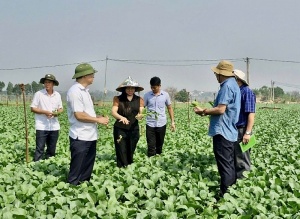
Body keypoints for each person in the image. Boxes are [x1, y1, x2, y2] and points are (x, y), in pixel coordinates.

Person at [193, 60, 241, 198]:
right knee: (229, 164)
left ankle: (224, 194)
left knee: (224, 165)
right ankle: (231, 192)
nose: (215, 76)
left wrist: (204, 111)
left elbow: (221, 109)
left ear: (221, 74)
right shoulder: (234, 85)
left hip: (223, 131)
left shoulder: (226, 86)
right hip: (230, 131)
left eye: (216, 73)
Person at [66, 63, 109, 185]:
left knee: (87, 168)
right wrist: (98, 120)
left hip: (90, 135)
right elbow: (79, 115)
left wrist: (97, 117)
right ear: (84, 75)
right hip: (80, 136)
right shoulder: (75, 91)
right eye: (92, 74)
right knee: (77, 169)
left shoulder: (85, 91)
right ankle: (72, 190)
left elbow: (86, 112)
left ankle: (84, 188)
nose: (94, 76)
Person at [111, 76, 144, 167]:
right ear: (124, 89)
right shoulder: (118, 99)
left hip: (133, 128)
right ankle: (121, 168)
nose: (130, 90)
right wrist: (121, 117)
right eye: (128, 88)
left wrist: (140, 116)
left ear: (135, 89)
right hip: (120, 128)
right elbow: (113, 112)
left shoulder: (139, 100)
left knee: (131, 148)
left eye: (132, 88)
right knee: (121, 148)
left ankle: (129, 166)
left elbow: (142, 111)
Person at [30, 74, 63, 161]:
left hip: (54, 126)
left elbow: (61, 108)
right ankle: (36, 166)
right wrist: (45, 112)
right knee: (39, 148)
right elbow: (33, 108)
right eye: (45, 82)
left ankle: (49, 167)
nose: (47, 84)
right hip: (42, 126)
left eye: (49, 82)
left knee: (52, 149)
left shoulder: (57, 95)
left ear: (53, 84)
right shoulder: (39, 94)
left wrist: (56, 113)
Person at [143, 76, 175, 157]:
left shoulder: (165, 95)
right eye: (152, 87)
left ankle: (158, 163)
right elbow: (142, 107)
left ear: (159, 86)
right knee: (151, 146)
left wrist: (172, 122)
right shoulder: (147, 95)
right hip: (150, 123)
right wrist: (140, 114)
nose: (153, 89)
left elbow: (170, 108)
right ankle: (150, 162)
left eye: (155, 87)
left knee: (159, 145)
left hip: (161, 123)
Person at [233, 69, 256, 179]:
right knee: (236, 158)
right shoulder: (236, 91)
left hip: (242, 130)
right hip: (235, 129)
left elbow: (251, 114)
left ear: (237, 79)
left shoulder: (247, 92)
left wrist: (247, 133)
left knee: (242, 160)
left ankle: (244, 185)